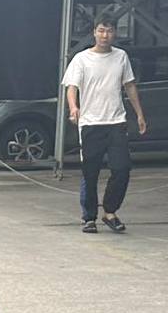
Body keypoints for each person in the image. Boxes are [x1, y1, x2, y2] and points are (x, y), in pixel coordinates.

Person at [62, 16, 147, 233]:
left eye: (109, 31)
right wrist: (73, 107)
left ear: (114, 33)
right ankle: (89, 217)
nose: (104, 35)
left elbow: (129, 86)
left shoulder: (121, 57)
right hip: (91, 123)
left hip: (116, 121)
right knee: (90, 172)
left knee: (122, 168)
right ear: (94, 32)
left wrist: (139, 114)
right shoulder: (82, 59)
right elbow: (72, 87)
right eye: (101, 31)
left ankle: (110, 211)